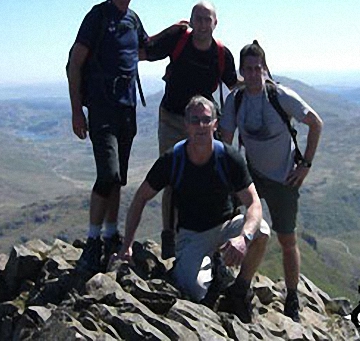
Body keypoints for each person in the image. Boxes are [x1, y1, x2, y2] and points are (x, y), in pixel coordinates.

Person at [116, 96, 270, 323]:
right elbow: (140, 199)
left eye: (206, 120)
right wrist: (127, 245)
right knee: (195, 291)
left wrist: (243, 238)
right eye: (194, 120)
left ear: (215, 124)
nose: (200, 126)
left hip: (226, 226)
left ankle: (239, 289)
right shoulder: (173, 159)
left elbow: (254, 204)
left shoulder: (227, 157)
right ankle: (205, 267)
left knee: (262, 231)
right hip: (191, 235)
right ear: (186, 124)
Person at [220, 41, 323, 323]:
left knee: (287, 239)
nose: (253, 74)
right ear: (241, 71)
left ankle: (292, 297)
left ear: (265, 69)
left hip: (283, 178)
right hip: (251, 174)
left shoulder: (280, 96)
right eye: (248, 69)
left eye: (258, 68)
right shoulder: (236, 100)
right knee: (229, 221)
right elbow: (226, 141)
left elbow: (316, 123)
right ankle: (234, 283)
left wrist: (305, 165)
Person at [67, 0, 149, 273]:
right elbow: (75, 64)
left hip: (127, 109)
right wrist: (77, 111)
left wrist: (176, 31)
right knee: (108, 174)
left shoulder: (133, 20)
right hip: (101, 107)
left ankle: (111, 234)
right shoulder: (97, 16)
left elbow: (144, 49)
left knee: (119, 178)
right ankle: (92, 240)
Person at [142, 1, 239, 259]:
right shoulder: (178, 39)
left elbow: (234, 85)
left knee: (208, 177)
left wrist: (262, 81)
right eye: (199, 18)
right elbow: (146, 50)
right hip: (172, 119)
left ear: (215, 23)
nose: (203, 24)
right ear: (190, 20)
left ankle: (206, 235)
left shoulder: (221, 54)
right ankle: (169, 237)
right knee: (172, 177)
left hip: (202, 124)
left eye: (208, 19)